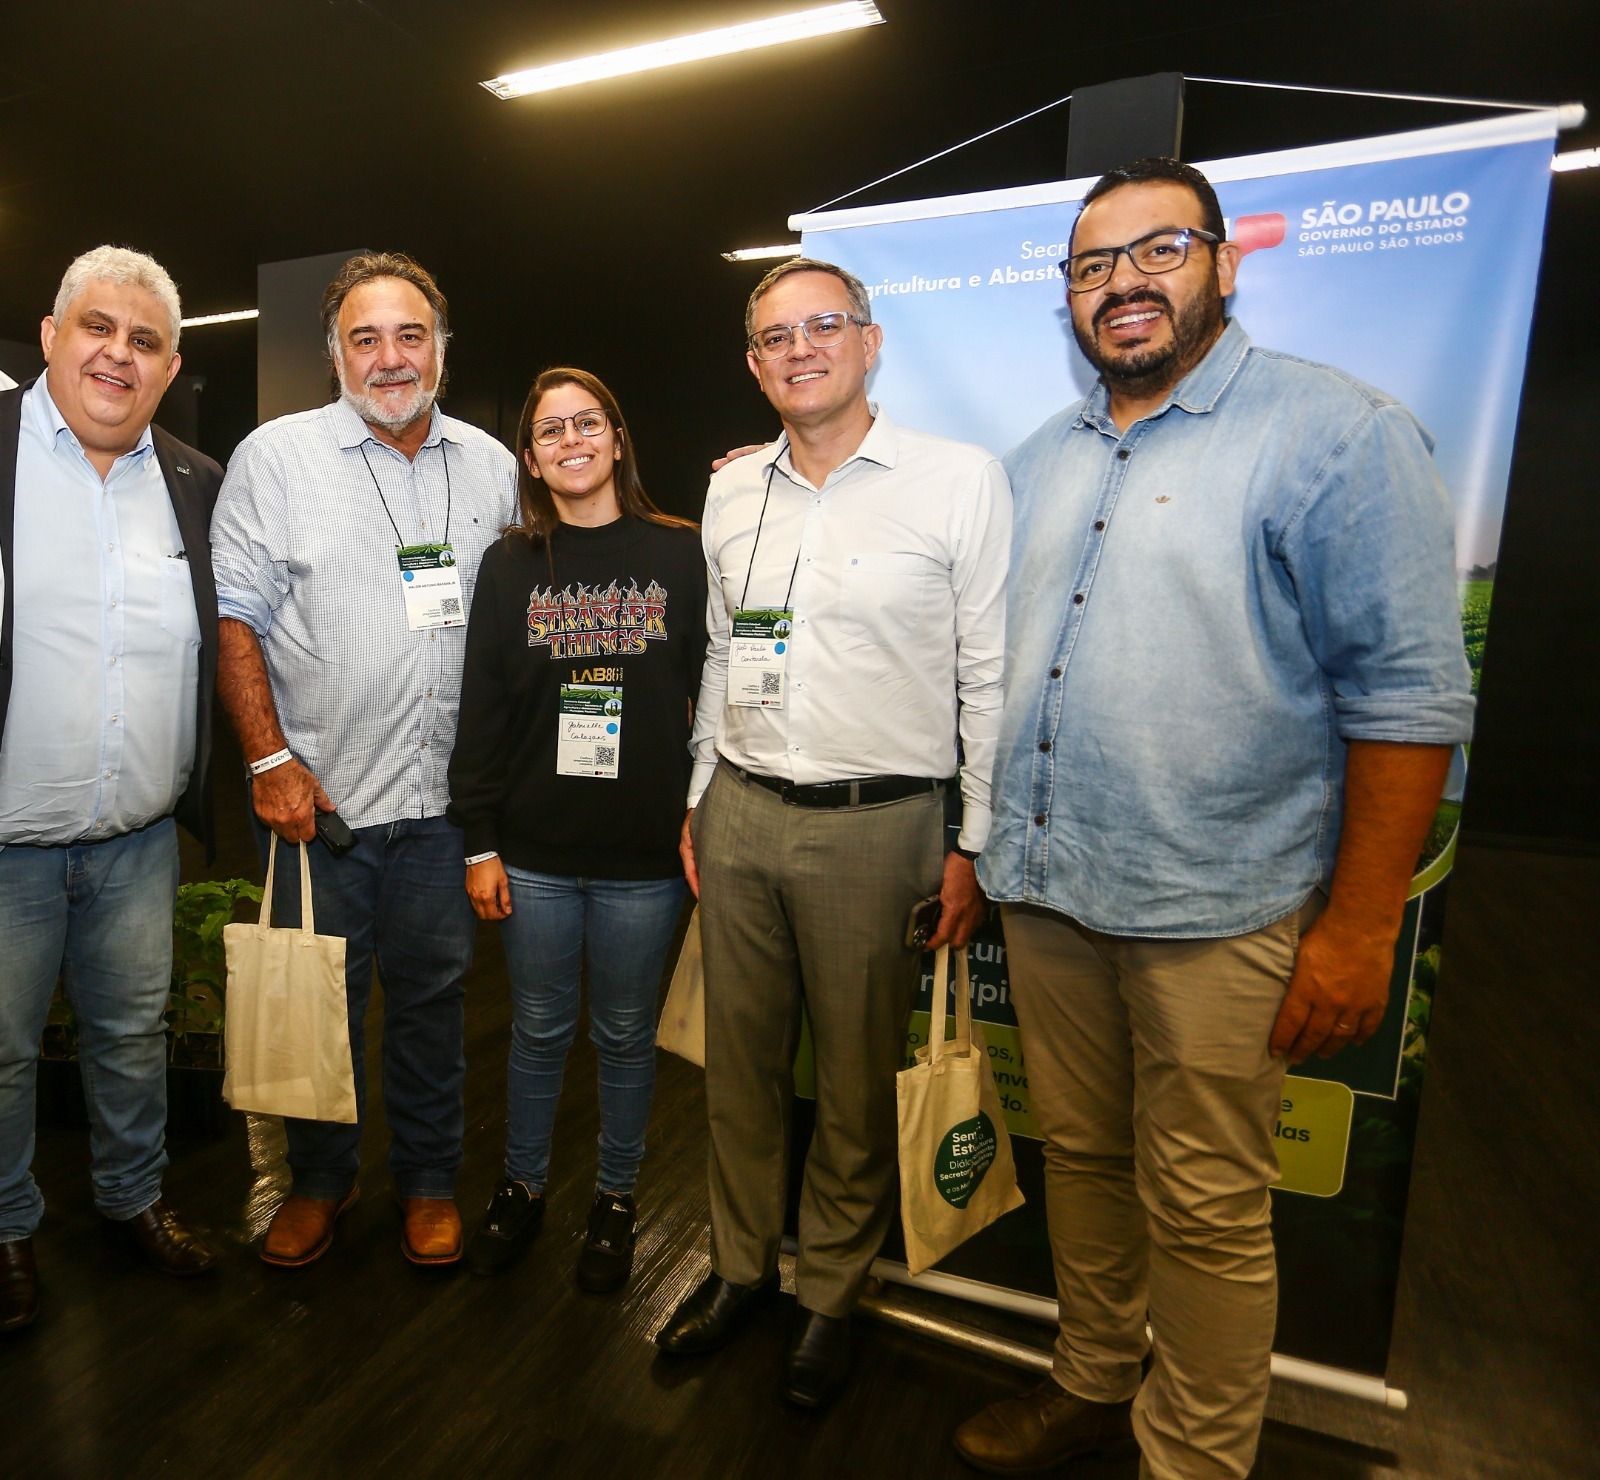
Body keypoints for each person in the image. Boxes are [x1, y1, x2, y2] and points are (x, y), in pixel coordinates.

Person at [955, 159, 1475, 1479]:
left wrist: (1359, 930)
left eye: (1159, 251)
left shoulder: (1340, 434)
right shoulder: (1037, 460)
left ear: (1225, 266)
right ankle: (1090, 1382)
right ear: (1067, 296)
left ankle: (1191, 1459)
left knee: (1205, 1208)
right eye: (1091, 265)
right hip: (1055, 893)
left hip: (1219, 911)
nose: (1122, 283)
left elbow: (1410, 703)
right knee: (1081, 1159)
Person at [654, 258, 1011, 1407]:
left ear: (868, 342)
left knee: (856, 1084)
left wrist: (974, 843)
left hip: (881, 825)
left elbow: (989, 678)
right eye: (772, 336)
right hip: (744, 812)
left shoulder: (959, 481)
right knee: (738, 1074)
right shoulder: (730, 489)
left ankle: (830, 1298)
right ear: (753, 364)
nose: (798, 349)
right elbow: (721, 651)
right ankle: (741, 1270)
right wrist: (702, 792)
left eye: (822, 327)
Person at [210, 252, 517, 1270]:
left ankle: (428, 1183)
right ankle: (320, 1181)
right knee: (317, 1006)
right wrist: (268, 761)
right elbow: (237, 621)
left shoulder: (491, 465)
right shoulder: (276, 458)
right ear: (335, 351)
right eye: (365, 337)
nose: (390, 358)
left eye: (410, 335)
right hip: (323, 802)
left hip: (443, 807)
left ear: (440, 346)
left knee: (432, 1005)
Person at [1, 247, 224, 1333]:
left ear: (170, 365)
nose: (116, 354)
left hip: (138, 838)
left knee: (134, 1033)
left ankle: (132, 1201)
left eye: (143, 341)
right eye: (97, 327)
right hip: (7, 841)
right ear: (50, 337)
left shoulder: (194, 482)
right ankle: (4, 1228)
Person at [447, 367, 706, 1290]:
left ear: (617, 436)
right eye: (549, 430)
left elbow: (713, 700)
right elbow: (480, 707)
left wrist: (699, 814)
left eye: (586, 423)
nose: (571, 441)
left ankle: (616, 1202)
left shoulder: (681, 552)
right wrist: (478, 839)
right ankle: (521, 1188)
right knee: (539, 1029)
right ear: (531, 456)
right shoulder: (511, 563)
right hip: (536, 852)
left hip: (644, 854)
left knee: (628, 1037)